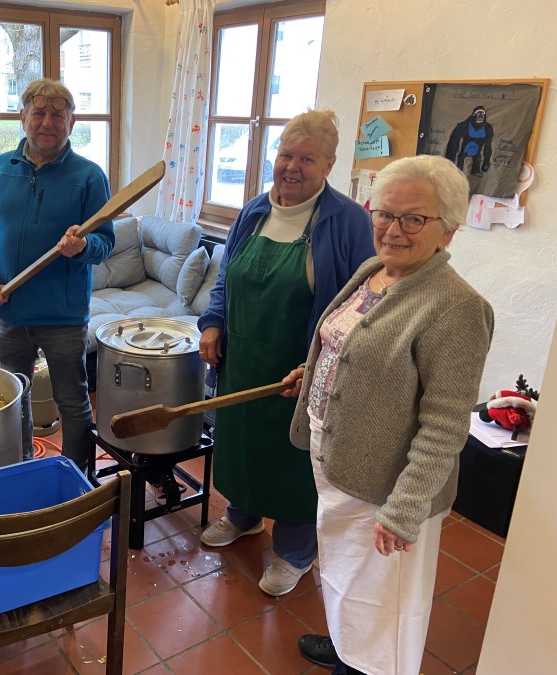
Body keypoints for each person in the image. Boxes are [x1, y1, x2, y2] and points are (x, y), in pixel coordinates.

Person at [286, 154, 494, 674]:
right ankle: (345, 642)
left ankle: (368, 665)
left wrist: (405, 508)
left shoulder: (457, 307)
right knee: (346, 569)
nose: (392, 230)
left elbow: (445, 424)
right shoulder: (374, 271)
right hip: (338, 456)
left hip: (389, 481)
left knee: (386, 595)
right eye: (383, 213)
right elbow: (354, 345)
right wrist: (315, 374)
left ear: (447, 230)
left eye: (413, 219)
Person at [197, 109, 375, 596]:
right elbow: (225, 280)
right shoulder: (254, 211)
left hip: (303, 371)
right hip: (242, 363)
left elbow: (365, 305)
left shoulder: (349, 222)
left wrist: (321, 366)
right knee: (241, 446)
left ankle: (295, 552)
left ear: (329, 164)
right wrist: (213, 323)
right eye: (286, 155)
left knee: (296, 463)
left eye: (308, 159)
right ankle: (243, 516)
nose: (293, 167)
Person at [0, 78, 114, 471]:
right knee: (12, 399)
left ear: (71, 121)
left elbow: (105, 242)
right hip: (9, 313)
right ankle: (22, 467)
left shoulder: (89, 176)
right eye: (39, 113)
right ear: (23, 117)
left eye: (57, 115)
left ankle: (76, 477)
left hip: (63, 318)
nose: (47, 122)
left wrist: (83, 246)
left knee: (73, 401)